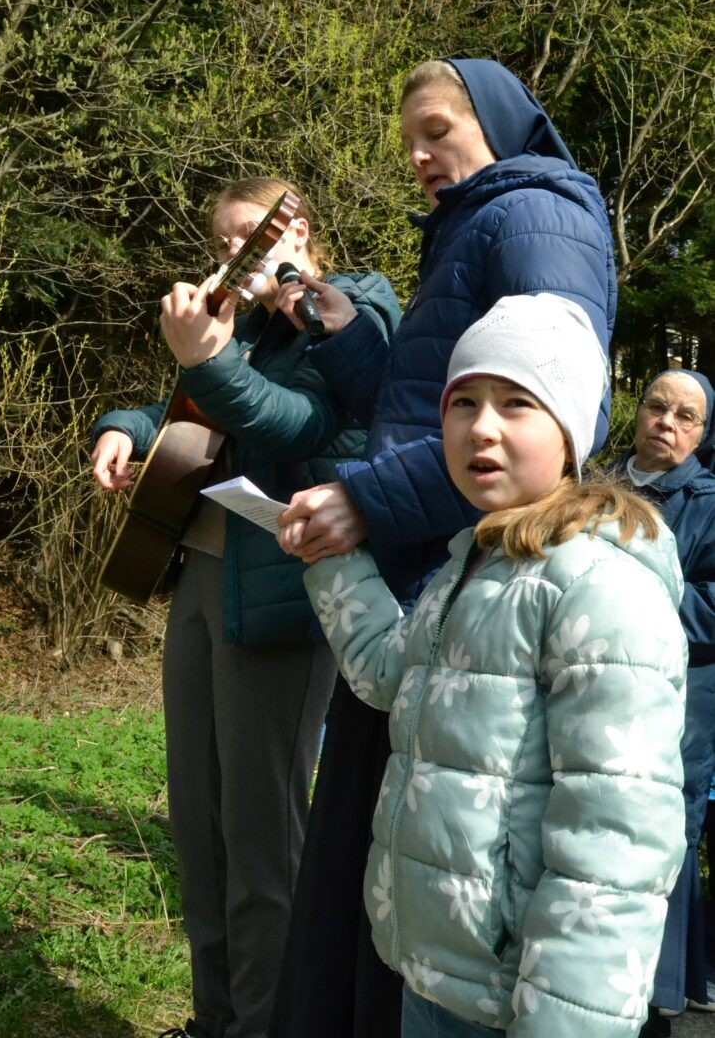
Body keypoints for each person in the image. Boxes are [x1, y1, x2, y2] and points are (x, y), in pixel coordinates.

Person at [269, 58, 617, 1038]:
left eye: (437, 130)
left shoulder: (536, 217)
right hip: (426, 585)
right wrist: (339, 330)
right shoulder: (473, 224)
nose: (419, 156)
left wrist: (367, 500)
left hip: (473, 596)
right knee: (382, 877)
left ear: (496, 124)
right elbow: (430, 406)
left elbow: (551, 412)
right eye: (409, 141)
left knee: (428, 891)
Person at [299, 294, 687, 1038]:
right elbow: (389, 674)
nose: (481, 426)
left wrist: (565, 1023)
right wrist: (332, 560)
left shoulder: (599, 589)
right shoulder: (475, 561)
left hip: (521, 1002)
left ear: (570, 434)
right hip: (437, 973)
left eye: (516, 403)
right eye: (463, 402)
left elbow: (615, 839)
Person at [89, 177, 400, 1038]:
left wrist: (206, 359)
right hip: (200, 575)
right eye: (223, 241)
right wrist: (122, 426)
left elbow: (296, 425)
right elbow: (185, 415)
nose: (231, 254)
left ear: (294, 230)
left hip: (282, 593)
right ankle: (213, 1019)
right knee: (200, 821)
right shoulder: (247, 327)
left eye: (247, 236)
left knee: (261, 835)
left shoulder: (356, 306)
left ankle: (266, 1024)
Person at [615, 369, 715, 1035]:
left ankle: (658, 991)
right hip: (595, 682)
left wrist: (629, 594)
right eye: (657, 406)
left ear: (702, 435)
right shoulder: (594, 485)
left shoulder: (708, 502)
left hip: (682, 694)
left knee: (664, 827)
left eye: (686, 417)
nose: (666, 423)